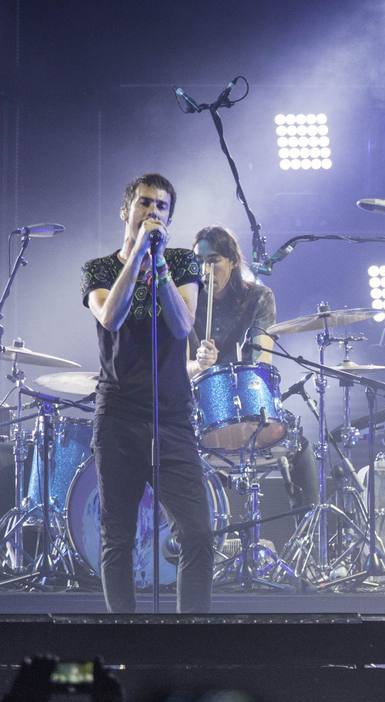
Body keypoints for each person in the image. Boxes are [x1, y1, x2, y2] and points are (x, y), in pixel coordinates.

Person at [81, 173, 213, 612]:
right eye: (144, 204)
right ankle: (125, 648)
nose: (152, 213)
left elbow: (182, 325)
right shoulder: (98, 270)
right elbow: (110, 318)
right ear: (126, 210)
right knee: (117, 536)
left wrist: (157, 268)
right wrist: (136, 255)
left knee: (197, 533)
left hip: (171, 416)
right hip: (117, 415)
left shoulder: (182, 263)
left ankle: (191, 649)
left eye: (161, 208)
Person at [186, 225, 318, 510]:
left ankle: (308, 531)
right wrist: (198, 365)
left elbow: (262, 358)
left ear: (232, 261)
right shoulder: (187, 303)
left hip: (248, 402)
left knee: (297, 444)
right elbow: (173, 369)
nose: (204, 269)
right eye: (198, 261)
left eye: (213, 260)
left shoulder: (258, 297)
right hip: (198, 408)